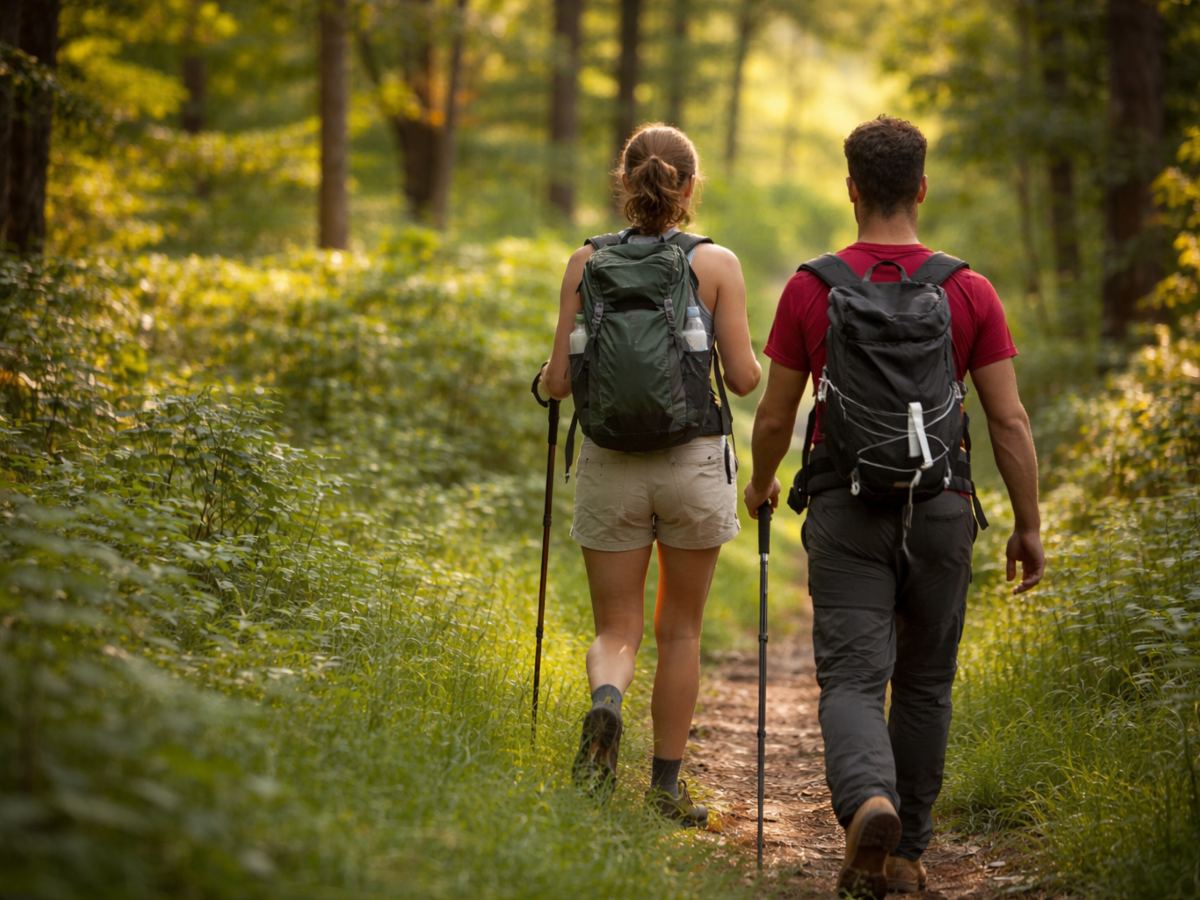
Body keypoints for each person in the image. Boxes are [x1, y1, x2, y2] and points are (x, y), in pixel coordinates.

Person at [743, 115, 1044, 897]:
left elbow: (775, 414)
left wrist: (762, 481)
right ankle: (906, 849)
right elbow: (1008, 420)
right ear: (921, 188)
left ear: (851, 190)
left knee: (850, 680)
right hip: (942, 506)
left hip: (846, 508)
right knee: (924, 682)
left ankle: (866, 804)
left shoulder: (812, 288)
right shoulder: (967, 289)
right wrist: (1029, 524)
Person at [540, 123, 761, 827]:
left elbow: (559, 382)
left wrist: (542, 384)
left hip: (610, 464)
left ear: (624, 181)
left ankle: (606, 700)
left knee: (617, 629)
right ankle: (666, 787)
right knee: (682, 631)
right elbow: (747, 380)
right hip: (693, 463)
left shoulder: (584, 263)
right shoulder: (718, 263)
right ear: (690, 186)